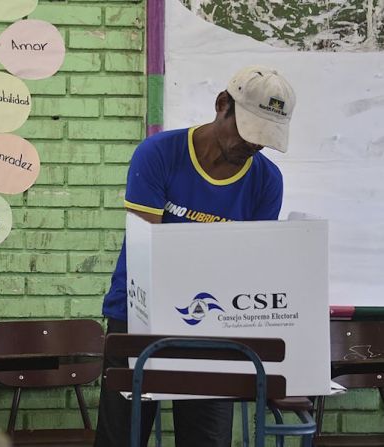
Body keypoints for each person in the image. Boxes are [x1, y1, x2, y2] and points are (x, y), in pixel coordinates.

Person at [94, 65, 296, 447]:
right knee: (122, 435)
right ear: (223, 105)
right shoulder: (159, 154)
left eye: (264, 139)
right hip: (137, 316)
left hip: (214, 323)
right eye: (248, 132)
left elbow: (249, 265)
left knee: (207, 438)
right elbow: (144, 246)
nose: (252, 146)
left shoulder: (267, 181)